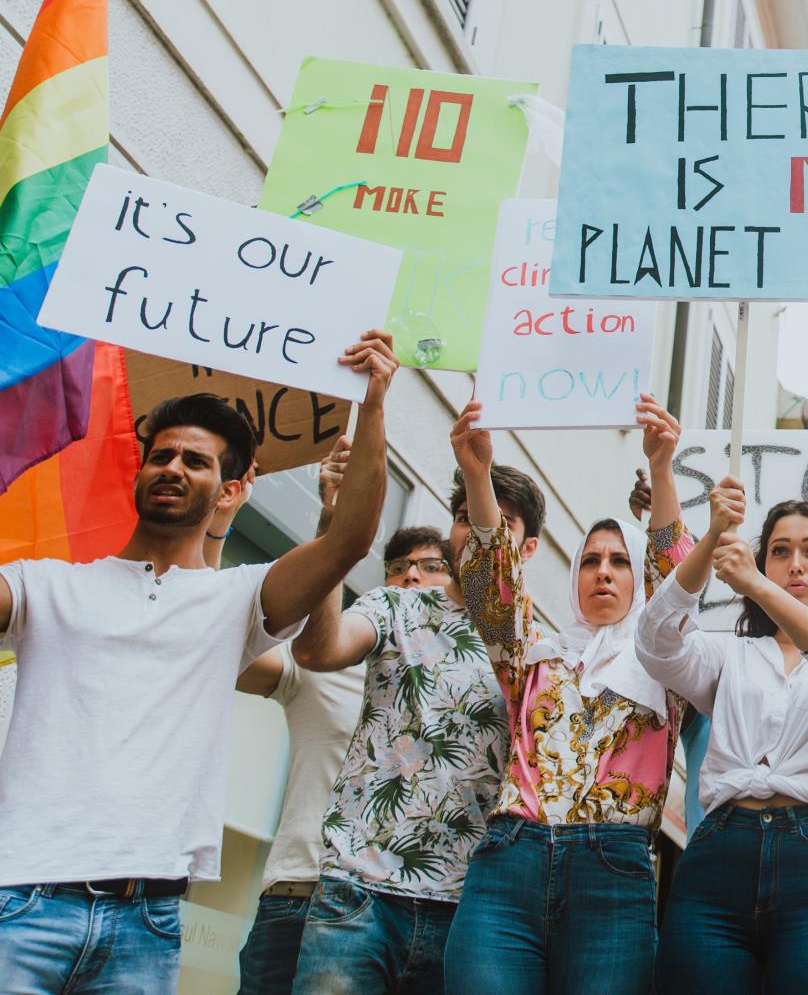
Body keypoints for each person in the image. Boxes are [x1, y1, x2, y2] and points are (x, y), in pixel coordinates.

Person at [0, 331, 398, 994]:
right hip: (20, 902)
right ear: (139, 473)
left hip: (147, 924)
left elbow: (350, 539)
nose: (173, 467)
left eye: (195, 460)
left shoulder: (237, 598)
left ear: (230, 490)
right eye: (160, 456)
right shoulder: (46, 585)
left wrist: (374, 402)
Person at [443, 398, 694, 994]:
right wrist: (478, 475)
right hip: (510, 865)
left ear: (639, 577)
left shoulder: (667, 657)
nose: (603, 571)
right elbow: (492, 584)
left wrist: (662, 469)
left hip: (612, 879)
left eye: (620, 562)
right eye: (590, 561)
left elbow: (677, 575)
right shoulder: (532, 654)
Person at [287, 423, 537, 994]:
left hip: (467, 912)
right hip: (358, 892)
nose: (476, 528)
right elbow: (317, 651)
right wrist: (333, 532)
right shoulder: (395, 605)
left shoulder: (532, 644)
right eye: (464, 515)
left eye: (497, 520)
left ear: (526, 549)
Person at [636, 473, 808, 993]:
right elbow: (656, 642)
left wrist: (757, 585)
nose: (795, 564)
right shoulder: (728, 653)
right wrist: (711, 539)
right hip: (718, 862)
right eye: (779, 552)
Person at [227, 440, 397, 995]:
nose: (413, 582)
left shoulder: (461, 699)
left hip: (401, 909)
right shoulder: (325, 668)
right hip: (299, 893)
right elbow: (225, 661)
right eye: (399, 570)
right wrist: (333, 524)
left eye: (430, 569)